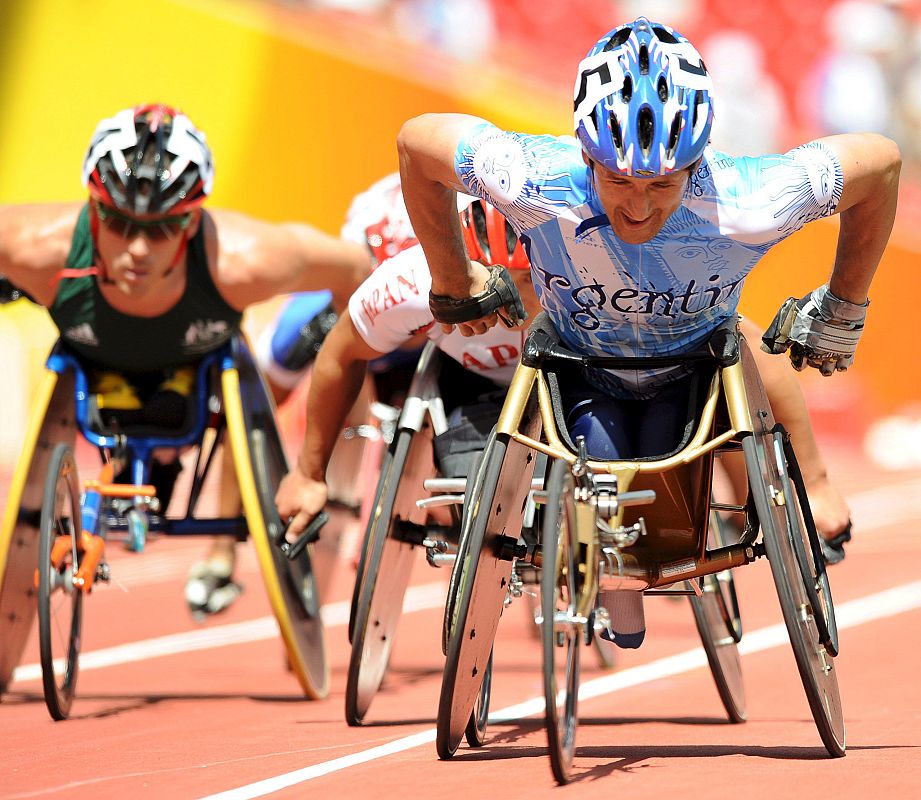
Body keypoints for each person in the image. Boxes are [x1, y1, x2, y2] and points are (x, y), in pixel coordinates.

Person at [392, 17, 900, 649]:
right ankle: (616, 574)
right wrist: (451, 279)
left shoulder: (750, 198)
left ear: (698, 163)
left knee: (733, 364)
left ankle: (812, 485)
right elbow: (417, 143)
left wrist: (845, 308)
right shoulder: (530, 180)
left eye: (662, 184)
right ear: (584, 155)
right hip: (579, 369)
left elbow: (879, 166)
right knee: (601, 460)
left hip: (698, 378)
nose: (638, 207)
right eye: (618, 180)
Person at [0, 103, 372, 617]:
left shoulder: (246, 260)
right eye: (117, 220)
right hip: (94, 364)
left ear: (193, 221)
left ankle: (220, 548)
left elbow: (357, 270)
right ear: (92, 207)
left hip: (197, 370)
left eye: (161, 228)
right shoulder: (35, 246)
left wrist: (338, 340)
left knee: (226, 387)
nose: (137, 249)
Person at [274, 194, 540, 539]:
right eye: (502, 283)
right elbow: (341, 352)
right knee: (478, 494)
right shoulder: (414, 279)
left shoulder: (593, 260)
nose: (521, 302)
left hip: (579, 377)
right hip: (477, 387)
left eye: (532, 280)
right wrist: (308, 474)